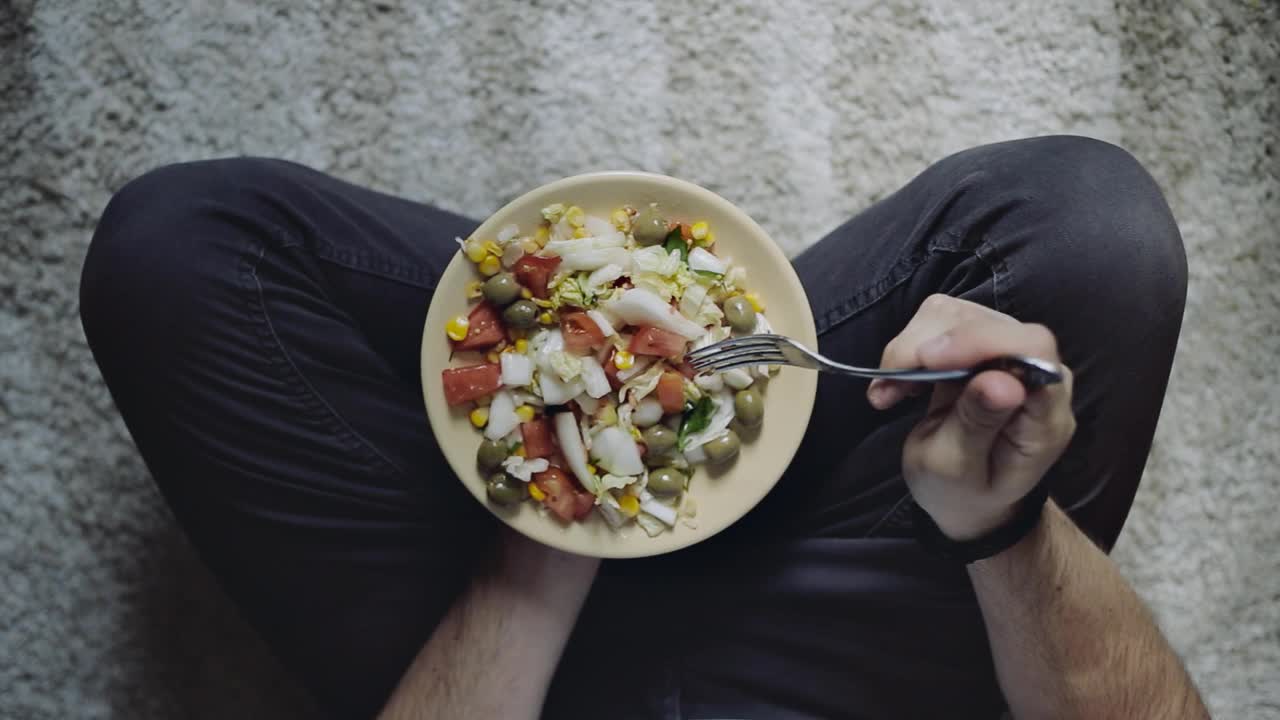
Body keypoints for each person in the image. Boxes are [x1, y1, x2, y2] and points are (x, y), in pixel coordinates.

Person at [79, 135, 1209, 720]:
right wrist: (996, 526)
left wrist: (546, 536)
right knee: (1086, 228)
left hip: (504, 663)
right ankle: (652, 315)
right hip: (863, 661)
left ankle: (577, 357)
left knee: (173, 251)